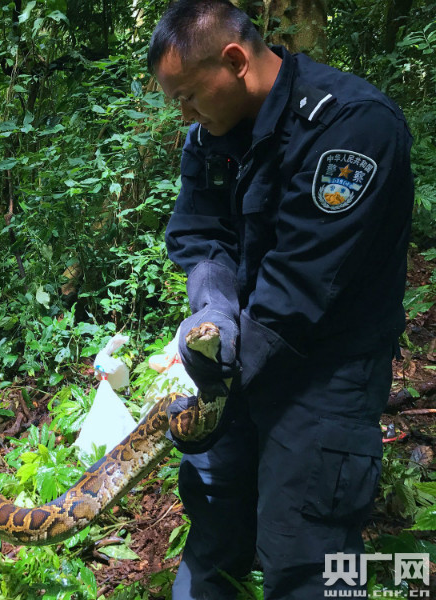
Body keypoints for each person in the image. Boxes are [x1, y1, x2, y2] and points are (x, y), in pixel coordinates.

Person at [147, 1, 414, 598]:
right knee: (215, 520)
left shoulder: (350, 128)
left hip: (325, 371)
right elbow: (200, 235)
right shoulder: (210, 134)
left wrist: (220, 373)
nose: (183, 114)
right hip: (239, 353)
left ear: (235, 61)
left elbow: (301, 288)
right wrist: (213, 307)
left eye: (188, 95)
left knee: (305, 554)